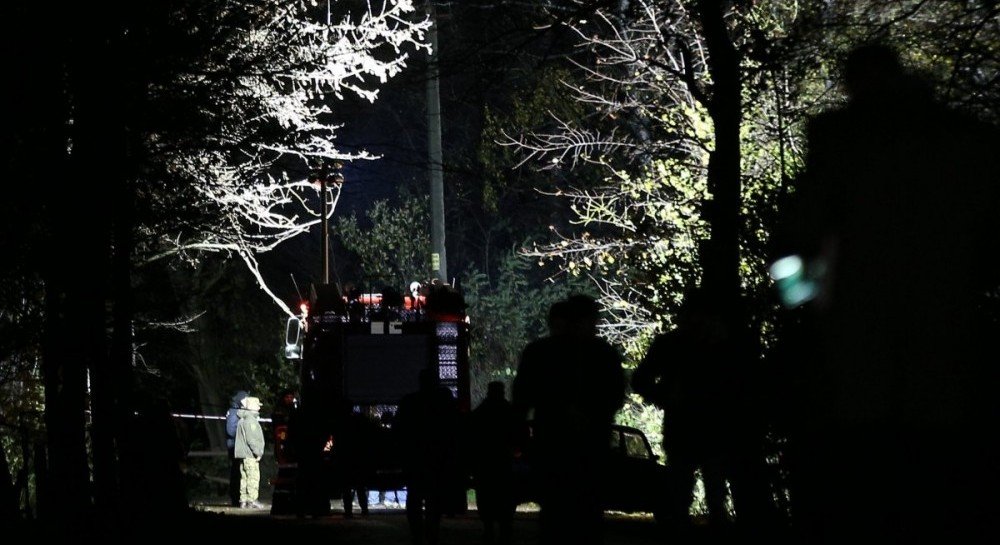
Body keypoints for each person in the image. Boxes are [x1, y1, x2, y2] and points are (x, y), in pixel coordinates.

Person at [774, 44, 1000, 544]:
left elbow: (802, 226)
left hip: (860, 316)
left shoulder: (840, 138)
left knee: (864, 442)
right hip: (944, 314)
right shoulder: (966, 137)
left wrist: (796, 298)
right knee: (934, 443)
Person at [631, 291, 776, 533]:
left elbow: (640, 380)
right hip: (701, 428)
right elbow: (640, 380)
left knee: (696, 494)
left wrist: (665, 396)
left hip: (701, 428)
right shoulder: (720, 346)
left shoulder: (687, 345)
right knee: (701, 494)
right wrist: (667, 397)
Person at [512, 295, 626, 545]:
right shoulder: (603, 353)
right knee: (586, 512)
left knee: (556, 512)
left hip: (554, 443)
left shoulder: (540, 352)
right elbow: (616, 395)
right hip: (586, 445)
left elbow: (522, 398)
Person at [394, 369, 461, 545]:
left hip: (415, 458)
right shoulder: (443, 401)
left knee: (414, 497)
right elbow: (454, 428)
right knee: (434, 499)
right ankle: (432, 532)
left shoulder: (410, 402)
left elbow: (399, 430)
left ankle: (417, 534)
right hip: (437, 458)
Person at [469, 381, 520, 545]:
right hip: (503, 462)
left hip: (485, 464)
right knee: (505, 496)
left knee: (486, 497)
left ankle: (489, 529)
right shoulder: (508, 411)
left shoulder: (480, 412)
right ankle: (505, 529)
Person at [235, 396, 266, 509]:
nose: (259, 408)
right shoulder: (250, 421)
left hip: (243, 455)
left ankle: (243, 501)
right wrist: (258, 452)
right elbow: (251, 439)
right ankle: (252, 500)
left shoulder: (242, 420)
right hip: (250, 455)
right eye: (257, 405)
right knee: (253, 477)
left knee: (244, 478)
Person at [226, 390, 249, 507]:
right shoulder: (234, 412)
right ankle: (236, 497)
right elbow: (231, 430)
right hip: (235, 447)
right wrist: (244, 432)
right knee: (236, 473)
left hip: (238, 446)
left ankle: (239, 497)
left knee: (239, 472)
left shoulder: (238, 411)